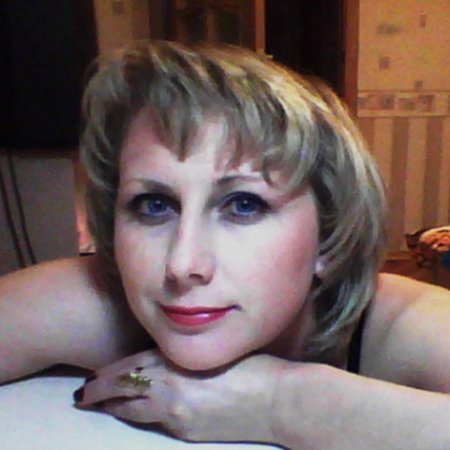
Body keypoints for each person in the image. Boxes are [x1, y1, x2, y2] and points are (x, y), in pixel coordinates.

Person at [1, 40, 449, 449]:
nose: (182, 265)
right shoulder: (100, 302)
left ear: (328, 239)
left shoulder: (401, 324)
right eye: (154, 205)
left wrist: (283, 404)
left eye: (244, 205)